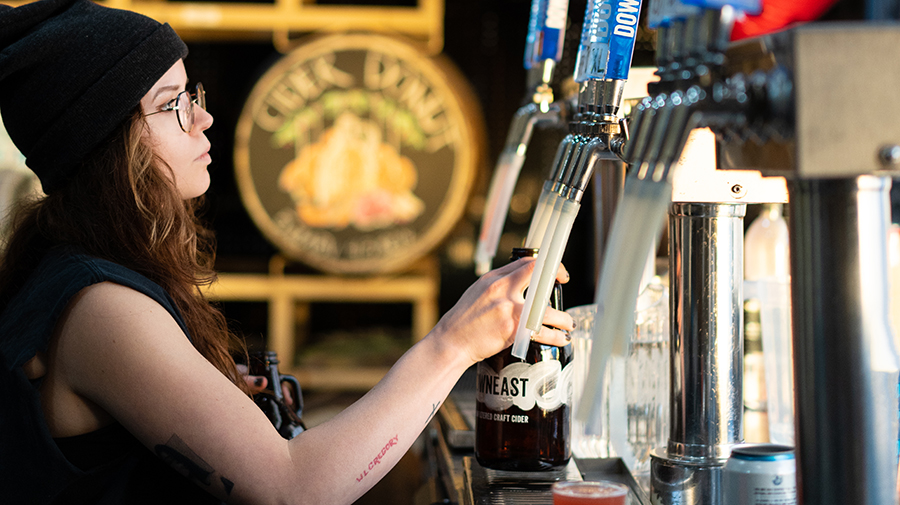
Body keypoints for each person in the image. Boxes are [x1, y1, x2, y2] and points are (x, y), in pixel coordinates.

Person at [0, 0, 575, 503]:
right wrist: (453, 344)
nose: (203, 117)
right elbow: (292, 491)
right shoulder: (102, 308)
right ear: (109, 145)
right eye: (173, 104)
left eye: (191, 94)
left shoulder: (80, 270)